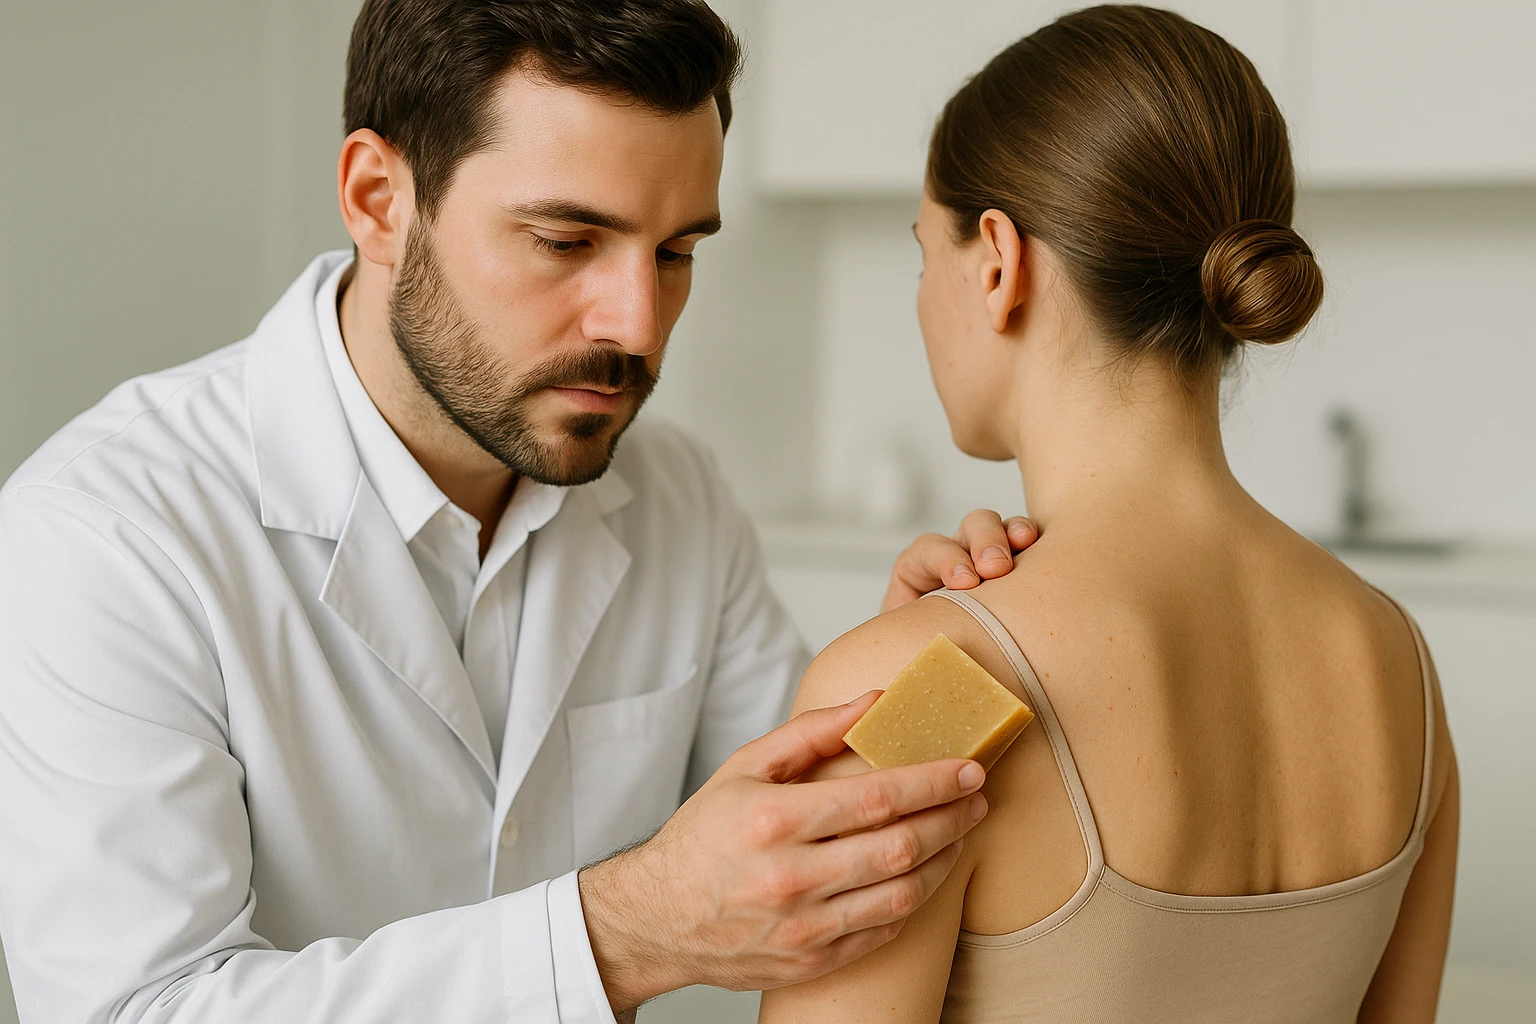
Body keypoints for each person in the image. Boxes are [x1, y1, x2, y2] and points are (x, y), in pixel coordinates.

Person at [0, 3, 1038, 1022]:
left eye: (676, 252)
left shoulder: (678, 497)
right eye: (565, 240)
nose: (636, 324)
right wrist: (624, 933)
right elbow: (139, 1007)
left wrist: (914, 664)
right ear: (378, 200)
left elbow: (808, 827)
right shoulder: (103, 537)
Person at [759, 6, 1459, 1023]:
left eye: (924, 254)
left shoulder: (931, 686)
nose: (922, 297)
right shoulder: (1396, 655)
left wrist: (909, 661)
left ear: (997, 262)